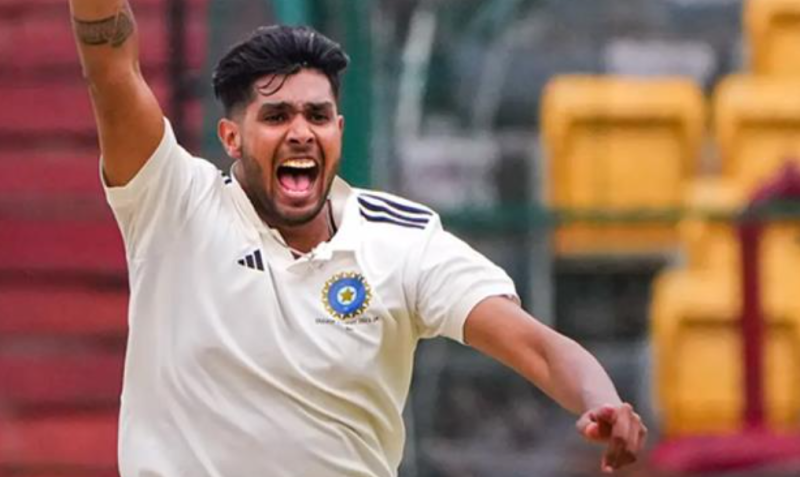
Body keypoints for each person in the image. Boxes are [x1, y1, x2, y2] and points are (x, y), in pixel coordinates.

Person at [69, 1, 647, 476]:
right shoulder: (174, 205)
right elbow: (111, 67)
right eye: (276, 117)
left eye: (317, 116)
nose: (301, 132)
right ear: (231, 137)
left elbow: (537, 346)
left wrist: (600, 399)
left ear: (339, 130)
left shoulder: (400, 239)